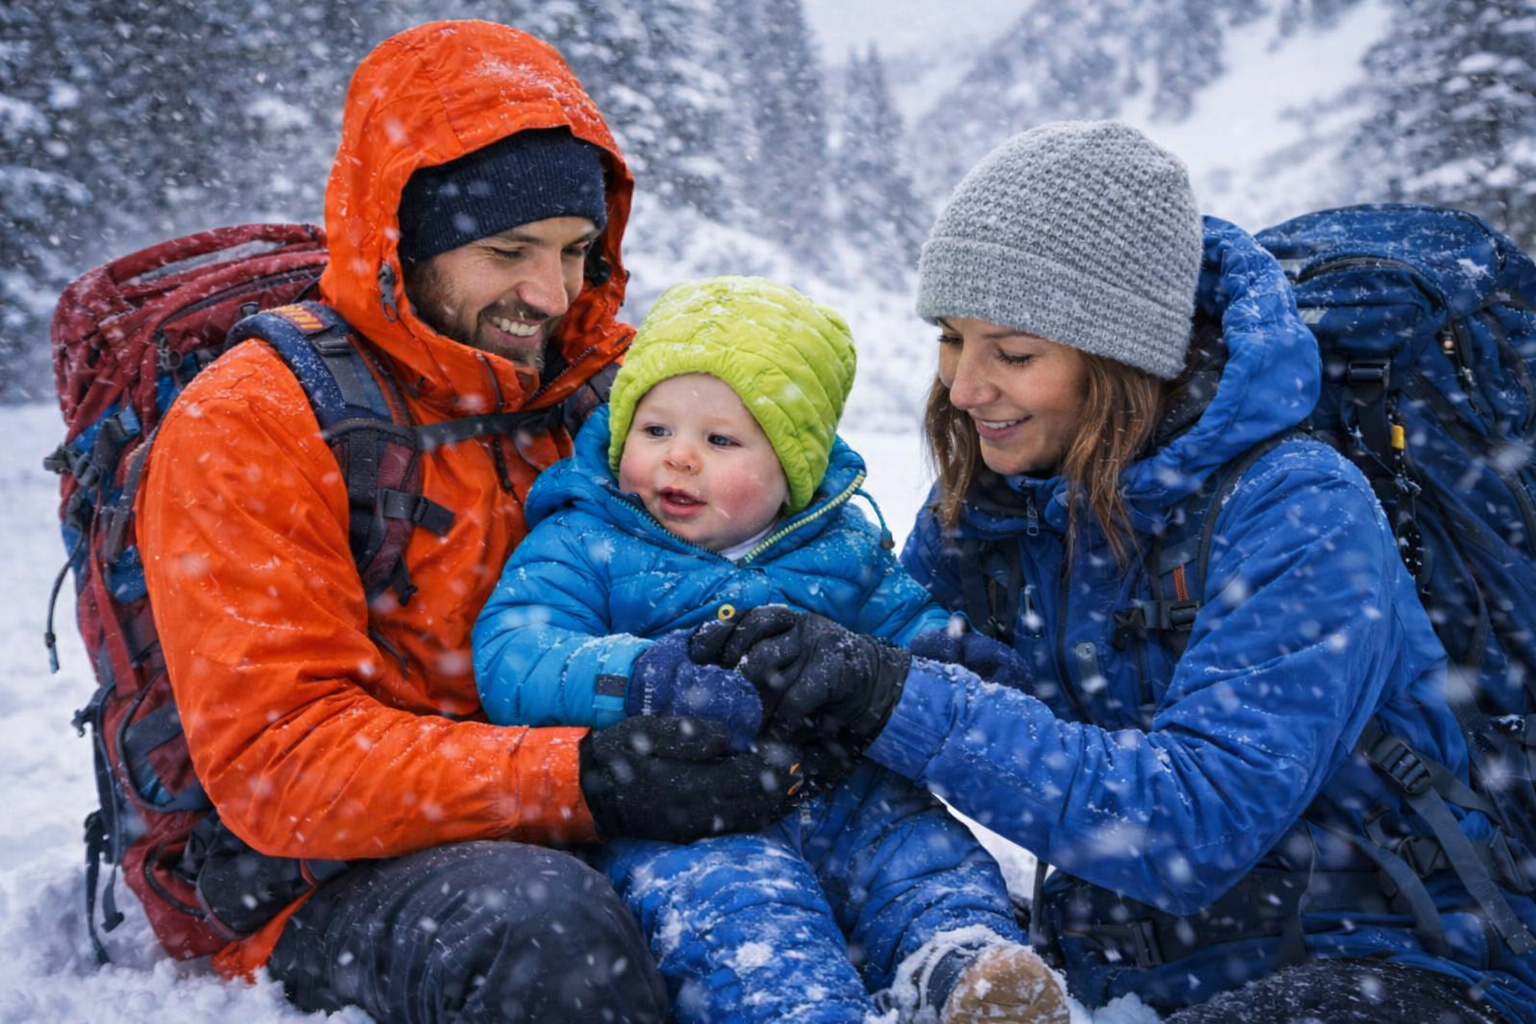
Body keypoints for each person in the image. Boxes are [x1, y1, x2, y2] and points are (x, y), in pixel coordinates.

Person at [687, 122, 1536, 1023]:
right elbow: (935, 672)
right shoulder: (998, 502)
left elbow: (1196, 821)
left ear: (1124, 356)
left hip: (1396, 964)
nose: (965, 389)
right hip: (1120, 980)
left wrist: (894, 695)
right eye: (950, 339)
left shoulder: (1300, 509)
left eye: (1012, 354)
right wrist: (783, 662)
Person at [136, 21, 801, 1024]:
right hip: (330, 874)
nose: (550, 294)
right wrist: (582, 775)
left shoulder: (605, 389)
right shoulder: (252, 422)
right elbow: (286, 762)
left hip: (584, 804)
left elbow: (775, 532)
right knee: (544, 936)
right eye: (508, 252)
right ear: (405, 237)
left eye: (577, 251)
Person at [472, 275, 1069, 1024]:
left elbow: (899, 617)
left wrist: (947, 651)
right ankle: (796, 1006)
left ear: (793, 467)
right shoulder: (583, 539)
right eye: (655, 431)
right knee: (737, 914)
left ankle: (958, 963)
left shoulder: (841, 549)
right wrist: (644, 679)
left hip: (845, 787)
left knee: (922, 855)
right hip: (688, 806)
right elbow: (516, 654)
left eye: (720, 440)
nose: (679, 458)